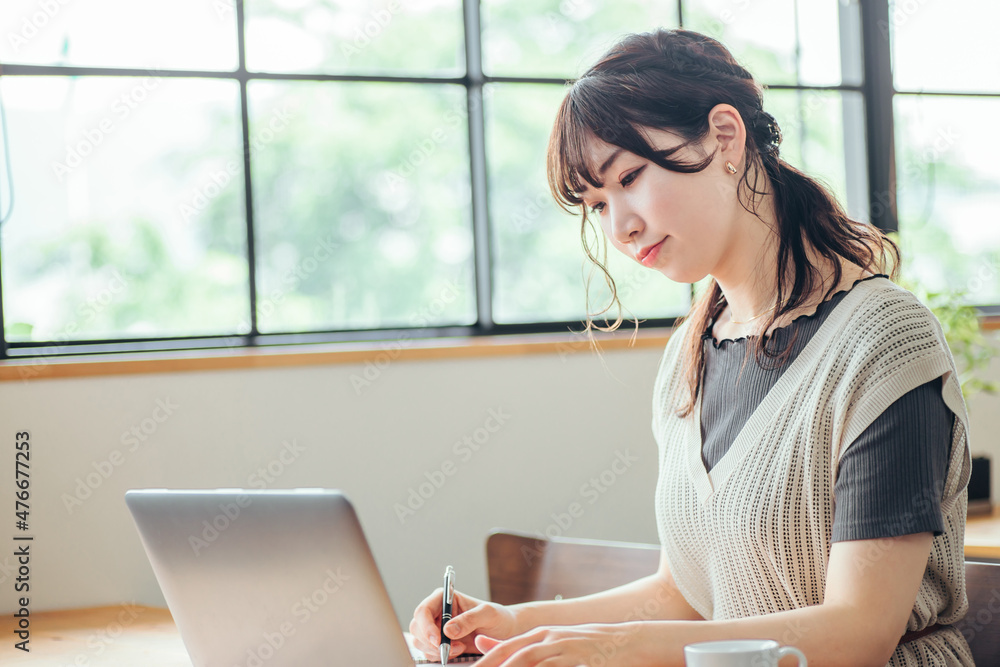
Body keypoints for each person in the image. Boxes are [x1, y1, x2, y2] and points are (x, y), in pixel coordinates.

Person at [409, 28, 973, 666]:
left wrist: (617, 647)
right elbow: (684, 592)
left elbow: (858, 635)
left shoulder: (881, 341)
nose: (621, 227)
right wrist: (509, 624)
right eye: (598, 205)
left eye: (629, 176)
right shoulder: (690, 356)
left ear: (725, 136)